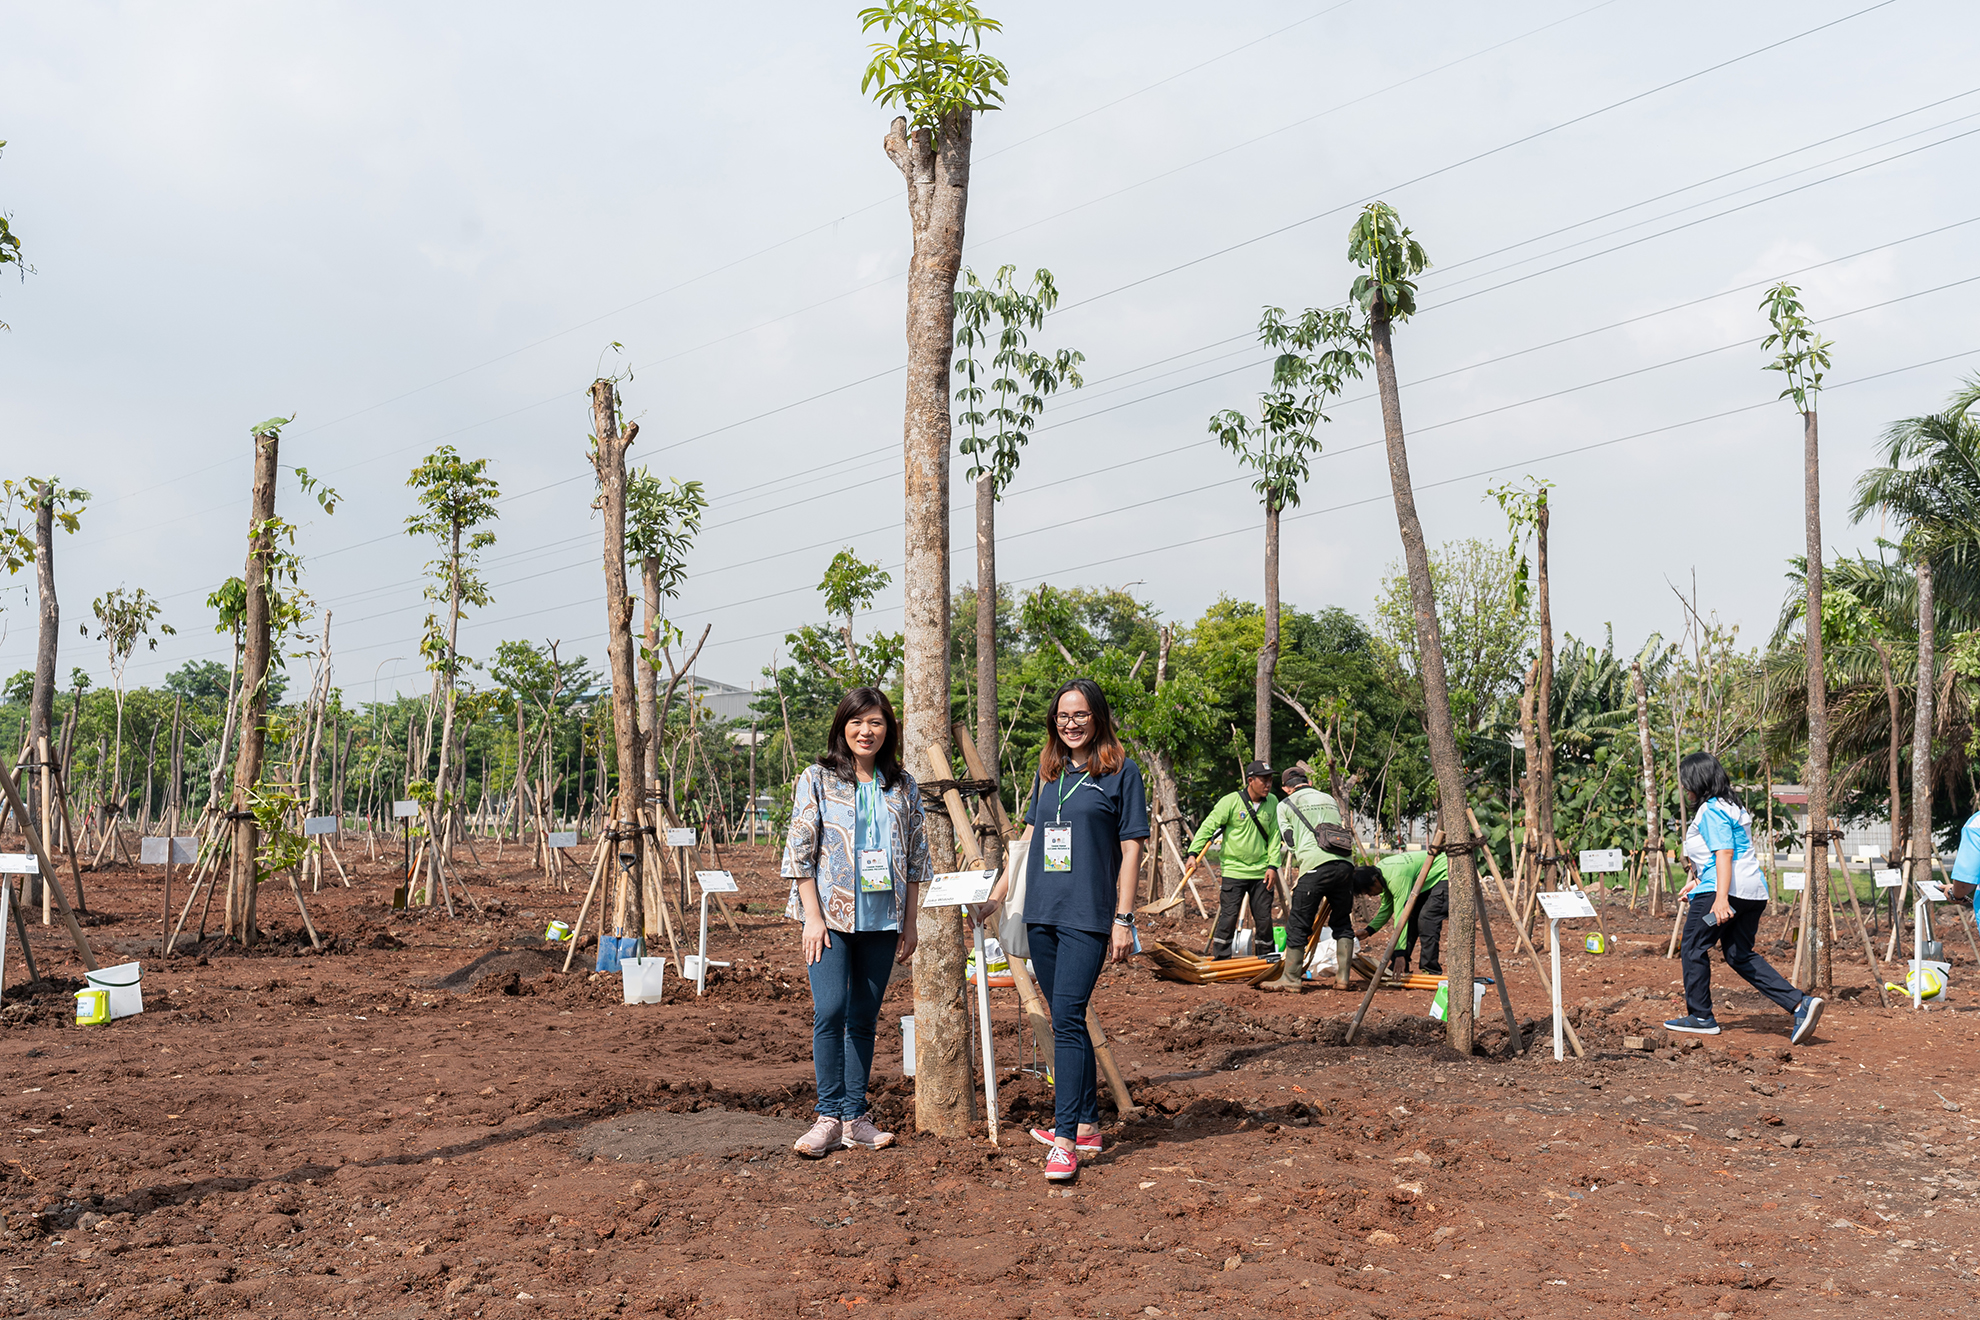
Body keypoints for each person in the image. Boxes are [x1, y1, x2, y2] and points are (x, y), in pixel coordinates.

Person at [979, 678, 1147, 1183]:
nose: (1070, 724)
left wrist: (1123, 917)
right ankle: (1089, 1124)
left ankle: (1066, 1139)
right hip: (1043, 914)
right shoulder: (1048, 771)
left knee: (1069, 1018)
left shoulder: (1121, 772)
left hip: (1088, 916)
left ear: (1098, 717)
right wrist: (996, 895)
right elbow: (1029, 839)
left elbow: (1133, 846)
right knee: (1064, 1018)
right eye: (1062, 716)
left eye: (1080, 715)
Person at [781, 687, 931, 1158]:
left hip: (883, 919)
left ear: (889, 730)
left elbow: (913, 859)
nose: (867, 731)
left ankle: (855, 1117)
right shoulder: (818, 778)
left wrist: (909, 923)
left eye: (877, 723)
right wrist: (811, 916)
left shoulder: (902, 785)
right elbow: (800, 851)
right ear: (842, 728)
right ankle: (828, 1117)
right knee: (830, 1010)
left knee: (864, 1017)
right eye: (857, 722)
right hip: (829, 916)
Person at [1665, 751, 1823, 1044]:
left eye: (1686, 781)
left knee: (1693, 947)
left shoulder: (1711, 810)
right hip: (1752, 891)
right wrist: (1699, 883)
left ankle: (1700, 1016)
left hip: (1726, 892)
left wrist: (1720, 898)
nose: (1684, 788)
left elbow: (1724, 853)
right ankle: (1800, 1004)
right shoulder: (1733, 806)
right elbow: (1730, 855)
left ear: (1698, 781)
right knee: (1739, 954)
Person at [1259, 767, 1359, 991]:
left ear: (1286, 788)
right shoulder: (1329, 798)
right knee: (1342, 922)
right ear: (1307, 781)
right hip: (1344, 865)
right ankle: (1343, 979)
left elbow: (1290, 839)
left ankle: (1291, 979)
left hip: (1315, 866)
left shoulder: (1285, 804)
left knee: (1299, 924)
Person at [1187, 760, 1283, 960]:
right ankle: (1221, 959)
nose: (1268, 784)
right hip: (1234, 870)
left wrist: (1273, 866)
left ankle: (1266, 960)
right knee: (1228, 919)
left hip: (1262, 872)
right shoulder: (1230, 801)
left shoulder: (1273, 802)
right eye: (1264, 780)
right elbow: (1208, 826)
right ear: (1250, 780)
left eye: (1270, 780)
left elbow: (1275, 836)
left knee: (1264, 920)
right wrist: (1193, 853)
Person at [1362, 849, 1448, 975]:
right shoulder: (1381, 871)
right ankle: (1401, 966)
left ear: (1375, 881)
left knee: (1427, 919)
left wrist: (1399, 953)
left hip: (1445, 872)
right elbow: (1387, 908)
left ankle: (1431, 970)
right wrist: (1369, 930)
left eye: (1368, 891)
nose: (1370, 895)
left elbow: (1401, 914)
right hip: (1428, 879)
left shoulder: (1396, 878)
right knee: (1413, 917)